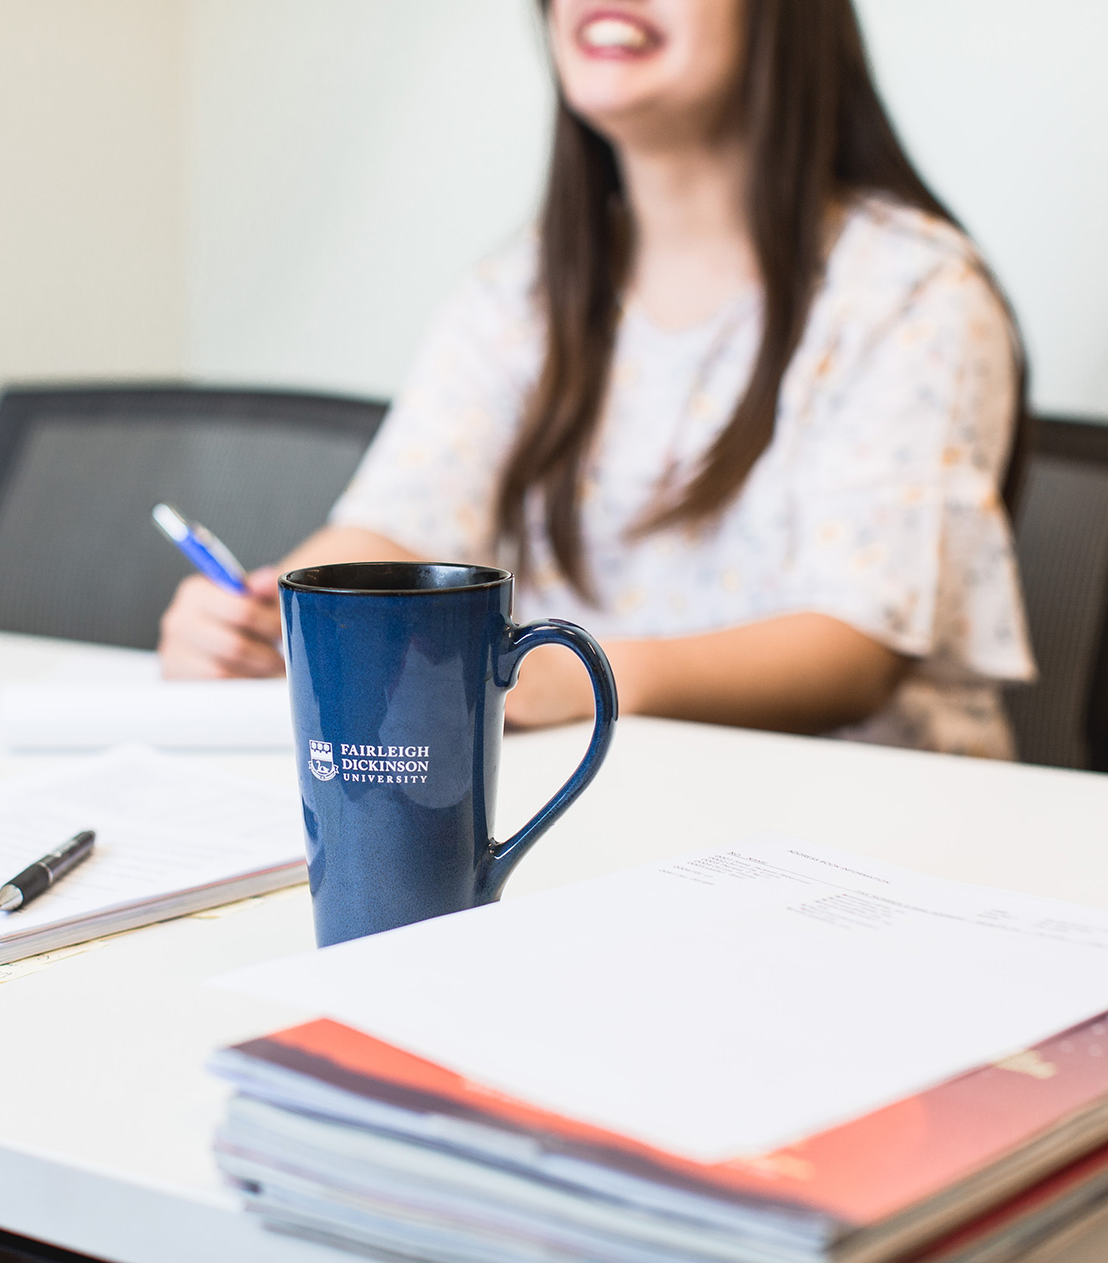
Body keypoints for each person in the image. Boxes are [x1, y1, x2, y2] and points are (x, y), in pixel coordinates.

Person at [159, 0, 1035, 758]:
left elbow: (855, 645)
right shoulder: (517, 299)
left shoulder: (913, 291)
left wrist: (566, 676)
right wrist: (279, 629)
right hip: (599, 810)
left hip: (871, 840)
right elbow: (394, 526)